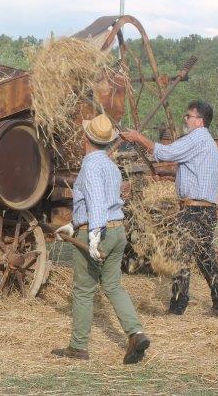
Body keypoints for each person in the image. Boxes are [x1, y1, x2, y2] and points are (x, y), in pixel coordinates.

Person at [52, 114, 150, 364]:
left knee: (84, 290)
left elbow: (96, 204)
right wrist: (72, 225)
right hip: (117, 231)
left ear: (86, 138)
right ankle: (136, 333)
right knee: (113, 285)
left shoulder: (90, 166)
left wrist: (94, 236)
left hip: (99, 231)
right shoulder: (110, 165)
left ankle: (78, 347)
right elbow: (103, 202)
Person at [120, 100, 218, 317]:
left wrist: (137, 137)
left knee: (180, 255)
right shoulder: (207, 142)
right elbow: (194, 174)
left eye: (189, 116)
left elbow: (166, 153)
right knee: (205, 257)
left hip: (194, 211)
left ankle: (177, 307)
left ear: (199, 121)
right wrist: (169, 176)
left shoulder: (196, 138)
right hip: (205, 209)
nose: (185, 119)